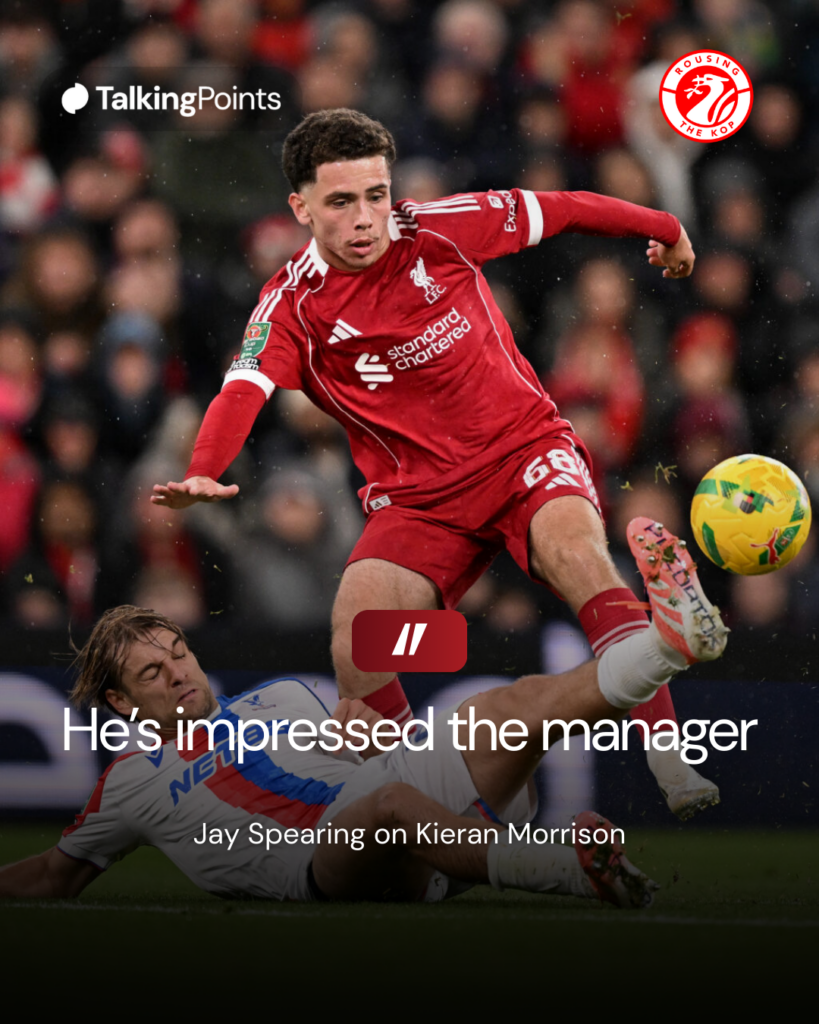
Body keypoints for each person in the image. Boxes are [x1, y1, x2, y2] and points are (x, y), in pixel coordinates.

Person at [151, 108, 713, 820]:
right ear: (300, 207)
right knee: (361, 641)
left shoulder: (440, 227)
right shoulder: (292, 304)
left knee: (579, 559)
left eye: (376, 195)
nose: (365, 218)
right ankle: (428, 802)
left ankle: (673, 766)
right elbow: (243, 388)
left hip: (522, 453)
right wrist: (205, 466)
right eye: (341, 202)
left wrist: (663, 227)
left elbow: (564, 209)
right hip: (420, 503)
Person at [0, 521, 728, 904]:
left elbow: (370, 749)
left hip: (401, 799)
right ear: (123, 703)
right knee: (387, 803)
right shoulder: (129, 779)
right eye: (153, 673)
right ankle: (568, 867)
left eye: (179, 653)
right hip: (323, 862)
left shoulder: (281, 698)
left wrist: (371, 731)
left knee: (515, 704)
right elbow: (53, 876)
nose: (179, 674)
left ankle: (668, 645)